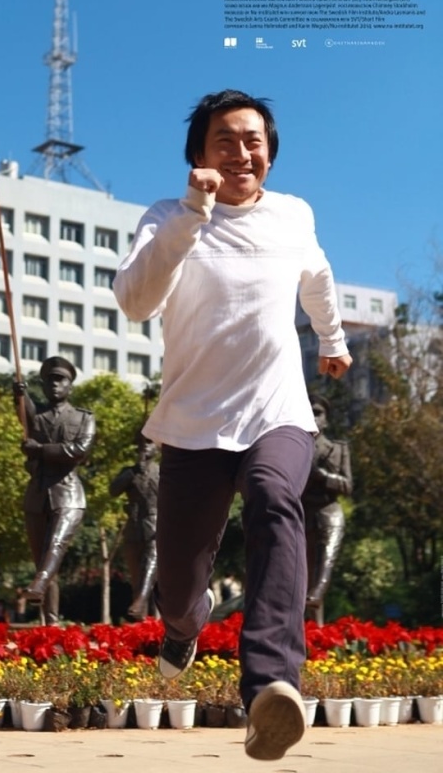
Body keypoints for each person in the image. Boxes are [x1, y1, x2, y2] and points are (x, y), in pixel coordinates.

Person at [113, 89, 352, 762]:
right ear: (198, 154)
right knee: (179, 585)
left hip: (278, 410)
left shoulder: (293, 213)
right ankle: (183, 625)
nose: (242, 152)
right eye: (225, 139)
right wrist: (194, 212)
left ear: (270, 153)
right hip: (193, 424)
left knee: (276, 497)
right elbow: (135, 301)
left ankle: (272, 682)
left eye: (254, 140)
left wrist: (332, 339)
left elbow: (317, 275)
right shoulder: (167, 217)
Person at [13, 356, 95, 625]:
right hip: (37, 495)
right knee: (45, 562)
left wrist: (40, 450)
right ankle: (50, 623)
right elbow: (25, 414)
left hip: (68, 493)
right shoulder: (38, 416)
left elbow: (79, 450)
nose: (55, 385)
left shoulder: (83, 418)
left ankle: (38, 584)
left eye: (61, 380)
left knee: (55, 546)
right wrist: (19, 395)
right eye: (49, 380)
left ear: (70, 385)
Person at [302, 394, 353, 622]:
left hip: (329, 511)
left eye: (318, 413)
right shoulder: (294, 447)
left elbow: (347, 485)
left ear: (326, 420)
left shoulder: (338, 449)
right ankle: (312, 630)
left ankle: (317, 596)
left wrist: (323, 477)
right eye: (309, 412)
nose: (313, 417)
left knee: (324, 567)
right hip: (302, 513)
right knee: (303, 573)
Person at [109, 432, 160, 620]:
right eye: (141, 443)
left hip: (156, 527)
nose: (144, 446)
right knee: (136, 577)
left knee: (150, 565)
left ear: (157, 448)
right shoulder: (129, 472)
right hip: (134, 527)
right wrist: (132, 473)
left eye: (149, 442)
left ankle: (141, 602)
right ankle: (141, 622)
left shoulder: (163, 472)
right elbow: (113, 490)